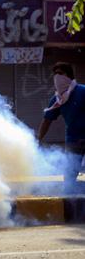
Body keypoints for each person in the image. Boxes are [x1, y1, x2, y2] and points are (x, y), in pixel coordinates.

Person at [37, 62, 85, 194]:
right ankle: (70, 204)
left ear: (69, 76)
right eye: (55, 74)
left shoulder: (82, 91)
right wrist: (38, 138)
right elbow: (47, 120)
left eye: (60, 73)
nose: (57, 76)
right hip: (73, 140)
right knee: (70, 174)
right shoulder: (57, 99)